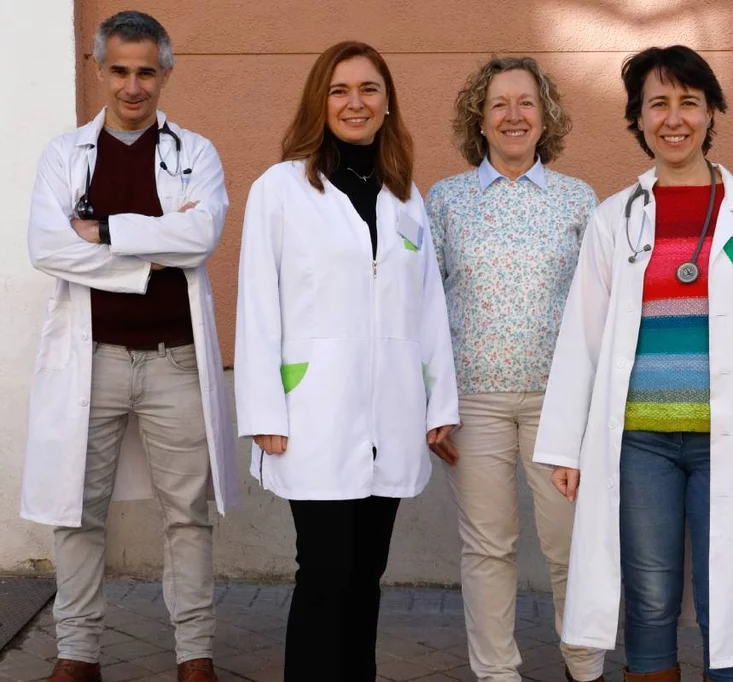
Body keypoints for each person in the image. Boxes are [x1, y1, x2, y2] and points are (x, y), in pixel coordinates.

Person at [533, 45, 733, 682]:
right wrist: (565, 446)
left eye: (688, 103)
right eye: (657, 104)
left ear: (711, 111)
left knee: (731, 592)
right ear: (636, 118)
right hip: (641, 442)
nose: (674, 118)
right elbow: (581, 336)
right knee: (650, 598)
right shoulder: (616, 219)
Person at [233, 40, 460, 681]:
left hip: (390, 413)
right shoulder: (281, 189)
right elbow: (257, 306)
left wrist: (438, 401)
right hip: (312, 412)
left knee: (367, 575)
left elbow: (428, 308)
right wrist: (262, 410)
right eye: (340, 90)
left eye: (368, 90)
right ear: (319, 103)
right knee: (325, 572)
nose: (354, 103)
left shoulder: (405, 196)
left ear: (387, 104)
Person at [21, 10, 235, 682]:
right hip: (94, 360)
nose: (133, 85)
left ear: (165, 71)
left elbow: (200, 238)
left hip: (176, 358)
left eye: (147, 71)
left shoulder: (195, 153)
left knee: (188, 514)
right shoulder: (65, 155)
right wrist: (150, 253)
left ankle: (193, 654)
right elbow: (47, 248)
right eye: (120, 70)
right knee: (75, 511)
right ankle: (78, 653)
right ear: (99, 70)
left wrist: (106, 229)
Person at [426, 56, 606, 682]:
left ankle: (583, 664)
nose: (512, 116)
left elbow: (600, 308)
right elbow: (424, 307)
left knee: (568, 543)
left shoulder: (578, 200)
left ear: (545, 116)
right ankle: (496, 672)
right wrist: (434, 403)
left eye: (525, 103)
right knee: (488, 547)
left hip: (559, 404)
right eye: (498, 103)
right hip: (473, 402)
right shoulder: (445, 201)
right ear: (479, 118)